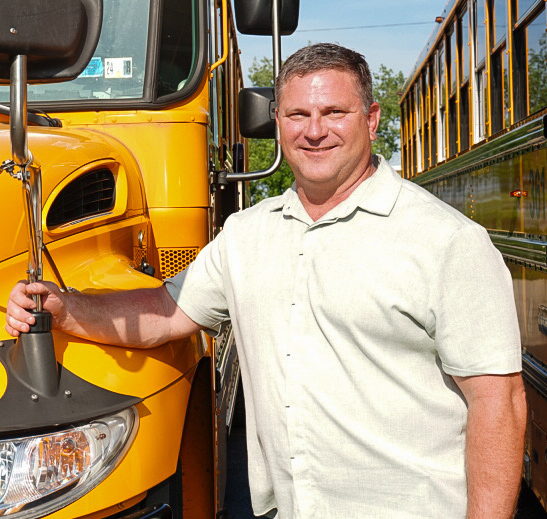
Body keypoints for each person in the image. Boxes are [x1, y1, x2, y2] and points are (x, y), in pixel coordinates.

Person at [6, 43, 526, 519]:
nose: (314, 130)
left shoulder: (448, 242)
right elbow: (167, 313)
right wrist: (65, 308)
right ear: (276, 123)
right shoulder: (247, 235)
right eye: (297, 114)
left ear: (371, 120)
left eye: (334, 113)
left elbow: (498, 403)